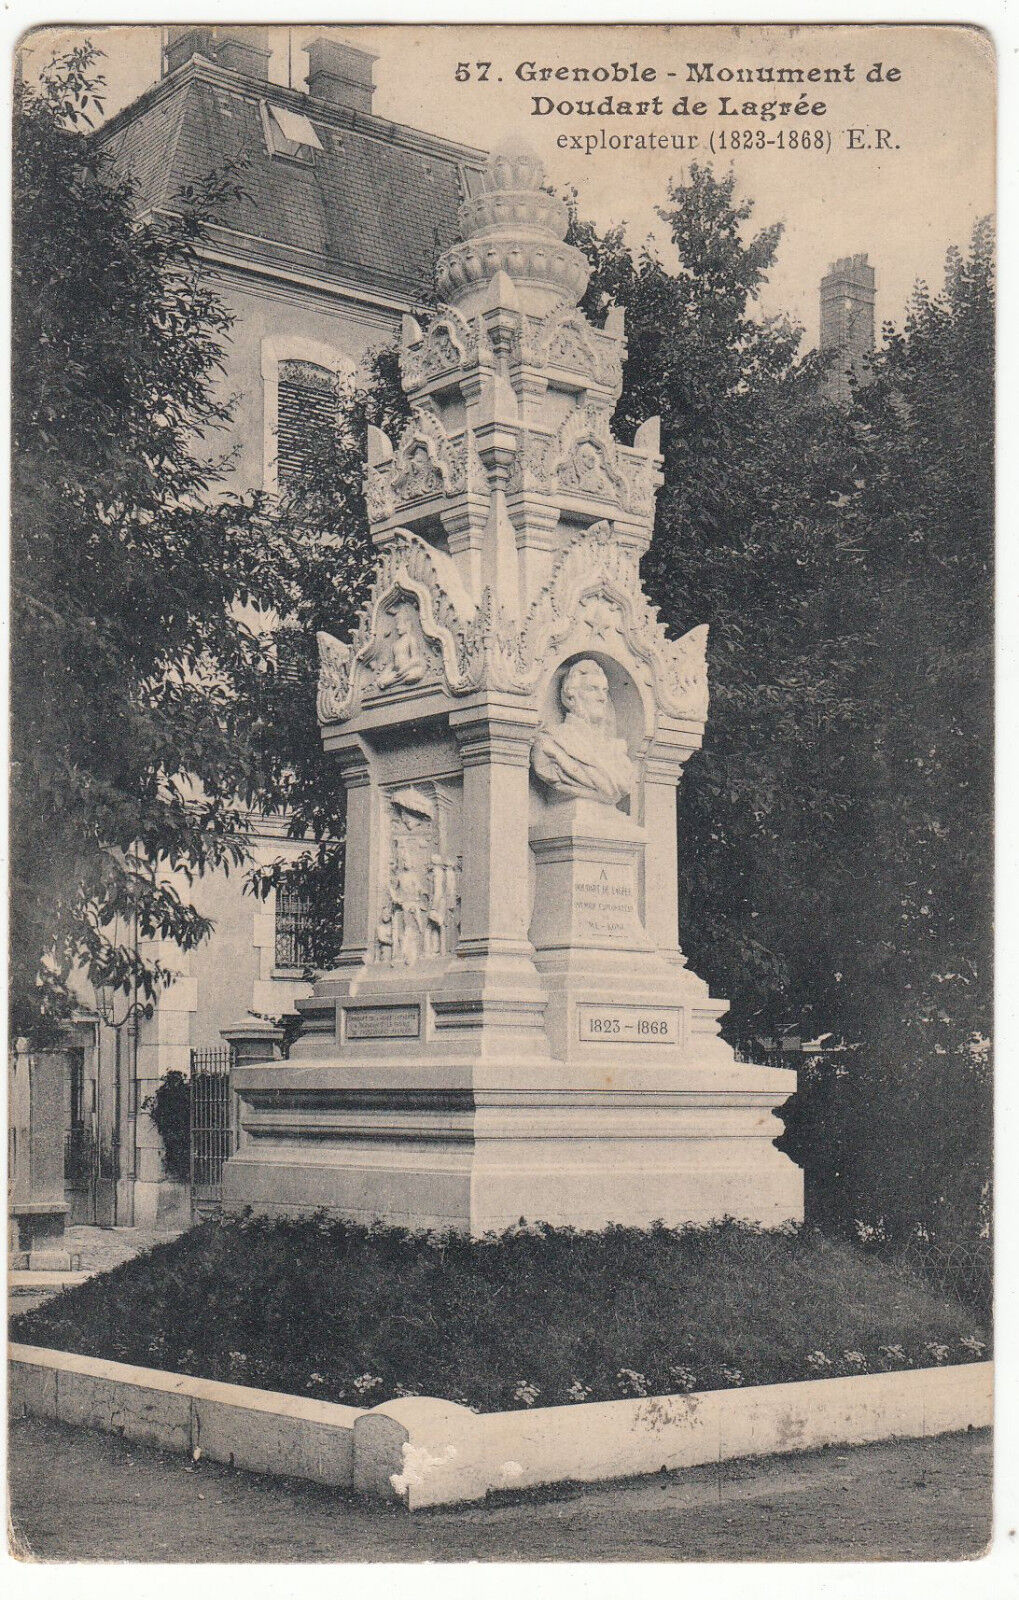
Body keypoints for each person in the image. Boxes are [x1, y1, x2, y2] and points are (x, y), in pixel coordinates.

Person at [531, 657, 634, 805]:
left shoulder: (615, 749)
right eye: (592, 689)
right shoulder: (549, 742)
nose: (602, 698)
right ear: (570, 697)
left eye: (605, 690)